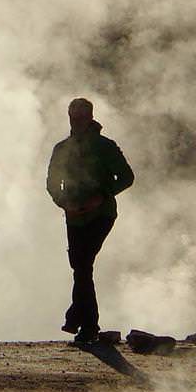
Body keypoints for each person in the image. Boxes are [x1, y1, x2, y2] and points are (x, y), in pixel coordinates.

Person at [45, 96, 134, 344]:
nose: (78, 122)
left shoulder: (105, 147)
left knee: (82, 265)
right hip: (74, 217)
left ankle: (86, 324)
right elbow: (52, 183)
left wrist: (102, 196)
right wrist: (65, 202)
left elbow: (126, 177)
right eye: (74, 117)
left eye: (82, 117)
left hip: (101, 215)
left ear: (91, 117)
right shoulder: (62, 149)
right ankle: (78, 319)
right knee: (80, 267)